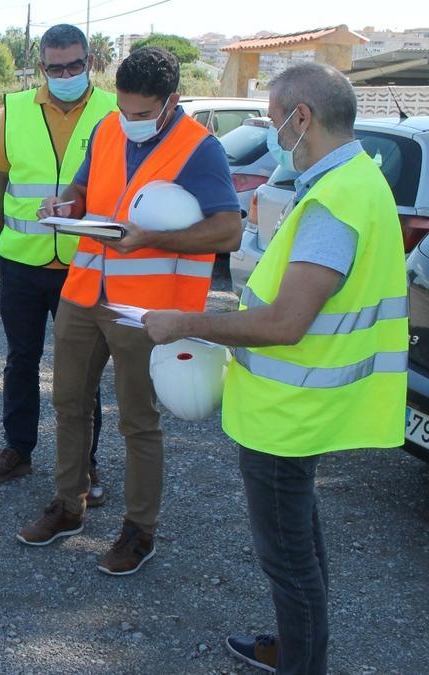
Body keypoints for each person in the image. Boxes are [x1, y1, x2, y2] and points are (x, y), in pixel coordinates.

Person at [143, 63, 408, 674]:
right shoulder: (357, 179)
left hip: (287, 416)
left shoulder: (335, 202)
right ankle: (294, 648)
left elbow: (286, 323)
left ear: (302, 118)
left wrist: (186, 322)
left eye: (272, 116)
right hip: (300, 409)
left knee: (289, 562)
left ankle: (300, 662)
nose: (271, 129)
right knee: (300, 548)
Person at [16, 47, 242, 576]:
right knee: (69, 402)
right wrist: (66, 205)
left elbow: (228, 229)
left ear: (172, 102)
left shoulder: (200, 149)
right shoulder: (109, 130)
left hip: (146, 310)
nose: (131, 121)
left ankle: (140, 531)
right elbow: (83, 187)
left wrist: (151, 239)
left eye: (142, 113)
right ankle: (68, 507)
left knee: (138, 423)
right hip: (85, 292)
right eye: (125, 109)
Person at [0, 24, 115, 509]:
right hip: (22, 263)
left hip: (86, 265)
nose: (66, 74)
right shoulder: (15, 109)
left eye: (75, 65)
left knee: (84, 372)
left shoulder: (113, 112)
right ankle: (18, 449)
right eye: (56, 68)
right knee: (20, 359)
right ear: (42, 68)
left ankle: (86, 462)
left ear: (90, 61)